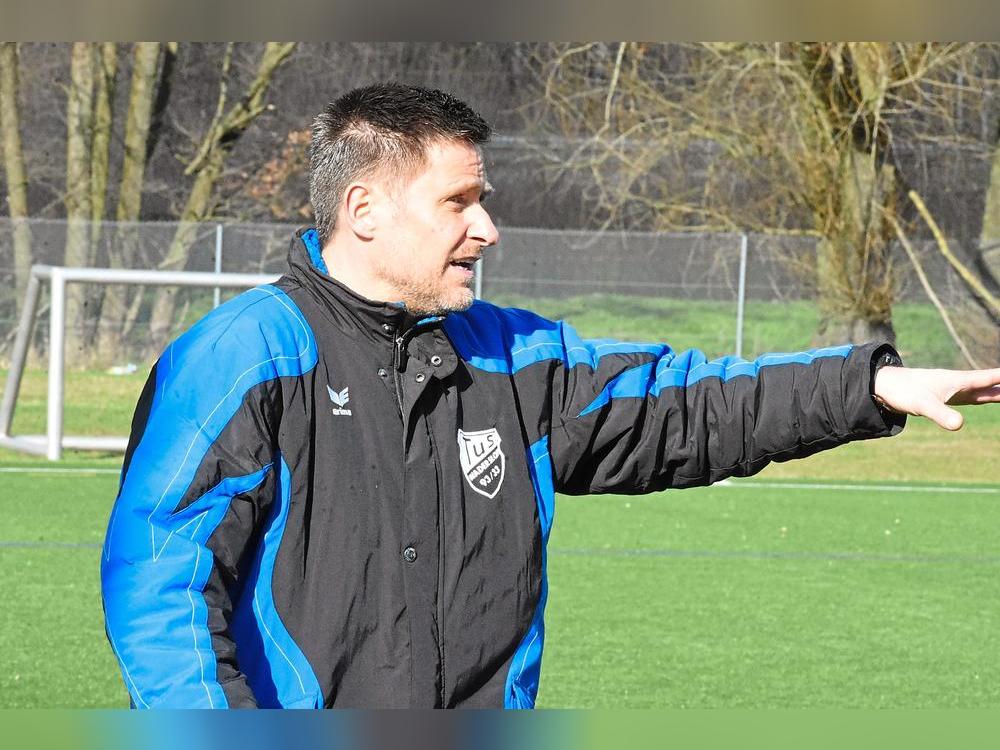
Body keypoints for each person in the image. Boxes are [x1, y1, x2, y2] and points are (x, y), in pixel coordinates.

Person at [100, 82, 1000, 709]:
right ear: (365, 210)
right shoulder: (243, 357)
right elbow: (160, 583)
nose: (486, 228)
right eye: (459, 202)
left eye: (483, 200)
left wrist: (868, 386)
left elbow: (683, 407)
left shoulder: (511, 359)